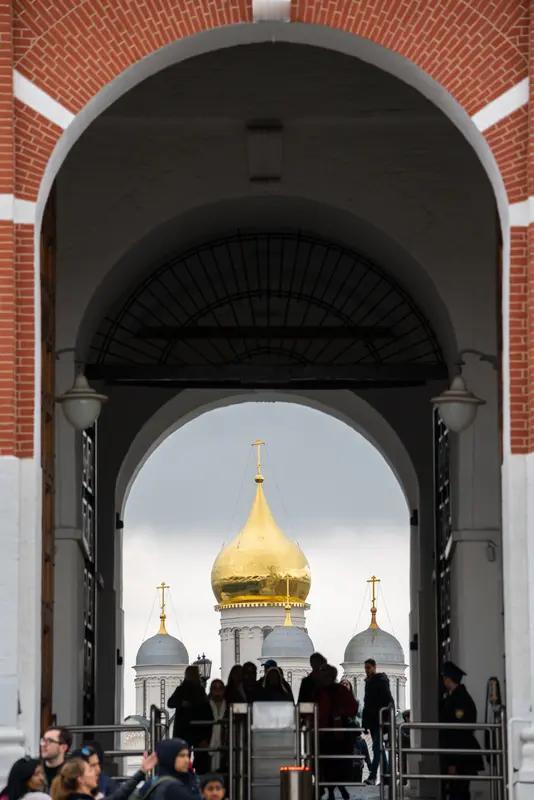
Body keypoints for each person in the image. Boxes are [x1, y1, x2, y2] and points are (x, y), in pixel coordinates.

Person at [439, 662, 484, 800]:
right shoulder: (454, 697)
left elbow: (457, 732)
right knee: (456, 791)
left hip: (460, 756)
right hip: (458, 754)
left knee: (459, 792)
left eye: (444, 677)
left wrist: (453, 762)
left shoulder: (460, 700)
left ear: (448, 679)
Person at [317, 665, 358, 800]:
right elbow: (352, 708)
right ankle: (337, 789)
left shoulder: (322, 691)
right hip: (336, 733)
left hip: (330, 733)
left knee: (331, 763)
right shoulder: (335, 690)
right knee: (334, 763)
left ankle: (332, 790)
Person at [168, 666, 213, 776]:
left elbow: (170, 702)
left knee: (183, 757)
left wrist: (182, 703)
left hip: (183, 729)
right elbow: (207, 712)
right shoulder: (200, 690)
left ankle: (183, 781)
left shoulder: (182, 689)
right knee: (200, 759)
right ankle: (198, 781)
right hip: (198, 730)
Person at [361, 658, 394, 786]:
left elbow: (387, 700)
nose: (366, 670)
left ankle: (373, 776)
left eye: (368, 668)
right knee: (379, 749)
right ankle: (386, 778)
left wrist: (386, 720)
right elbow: (367, 705)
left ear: (374, 667)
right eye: (365, 668)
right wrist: (365, 723)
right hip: (374, 722)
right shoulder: (369, 682)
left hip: (380, 721)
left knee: (377, 748)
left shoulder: (380, 682)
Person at [207, 680, 227, 773]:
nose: (217, 691)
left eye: (220, 688)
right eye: (215, 688)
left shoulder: (228, 706)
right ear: (211, 690)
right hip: (208, 744)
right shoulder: (205, 706)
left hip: (224, 743)